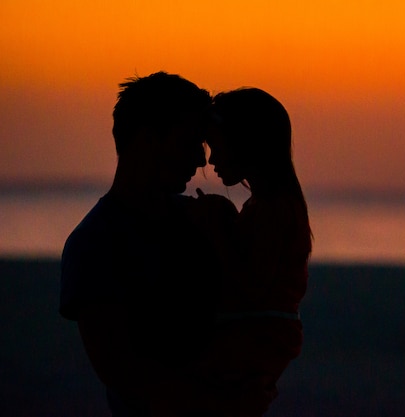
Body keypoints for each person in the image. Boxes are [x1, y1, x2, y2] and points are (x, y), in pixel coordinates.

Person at [59, 72, 276, 417]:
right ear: (147, 141)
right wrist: (227, 404)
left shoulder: (207, 219)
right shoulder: (94, 245)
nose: (201, 161)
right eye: (189, 142)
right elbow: (125, 374)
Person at [192, 87, 312, 415]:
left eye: (217, 146)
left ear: (246, 144)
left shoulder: (275, 209)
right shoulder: (266, 205)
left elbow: (250, 287)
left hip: (257, 338)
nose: (211, 159)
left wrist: (217, 226)